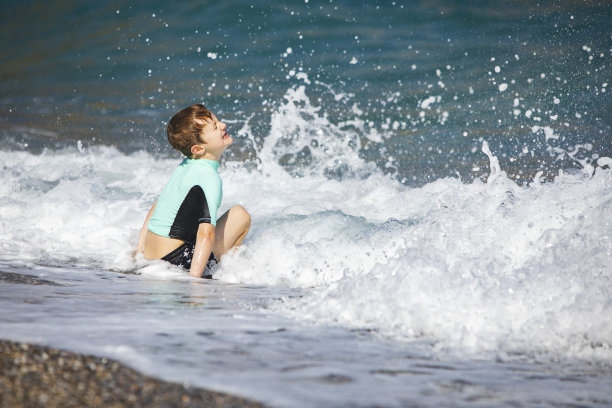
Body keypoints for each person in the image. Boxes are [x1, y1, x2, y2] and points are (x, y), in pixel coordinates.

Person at [135, 104, 250, 278]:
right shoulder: (208, 176)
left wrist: (139, 249)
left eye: (217, 121)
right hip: (176, 262)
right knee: (240, 215)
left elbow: (157, 206)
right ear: (198, 149)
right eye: (215, 127)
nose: (223, 125)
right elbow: (206, 233)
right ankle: (225, 274)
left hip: (151, 257)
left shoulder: (184, 167)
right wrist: (194, 283)